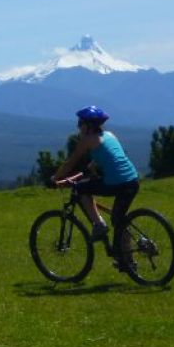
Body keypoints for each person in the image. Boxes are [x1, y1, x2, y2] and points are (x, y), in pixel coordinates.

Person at [52, 106, 141, 268]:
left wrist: (55, 178)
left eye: (80, 123)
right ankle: (128, 261)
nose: (78, 127)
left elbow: (70, 162)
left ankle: (99, 225)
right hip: (132, 180)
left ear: (88, 126)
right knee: (119, 219)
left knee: (80, 189)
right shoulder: (109, 135)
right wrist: (70, 180)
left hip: (117, 182)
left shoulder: (87, 140)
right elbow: (89, 169)